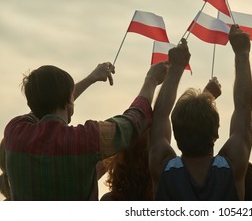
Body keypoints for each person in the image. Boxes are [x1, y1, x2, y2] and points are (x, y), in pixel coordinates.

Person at [3, 61, 167, 200]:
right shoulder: (85, 140)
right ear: (69, 99)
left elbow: (45, 103)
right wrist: (151, 80)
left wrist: (91, 78)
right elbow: (133, 120)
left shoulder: (15, 131)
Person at [149, 25, 252, 200]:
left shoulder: (162, 169)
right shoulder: (232, 166)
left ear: (175, 133)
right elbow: (244, 108)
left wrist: (176, 68)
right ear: (216, 131)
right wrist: (242, 54)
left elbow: (159, 116)